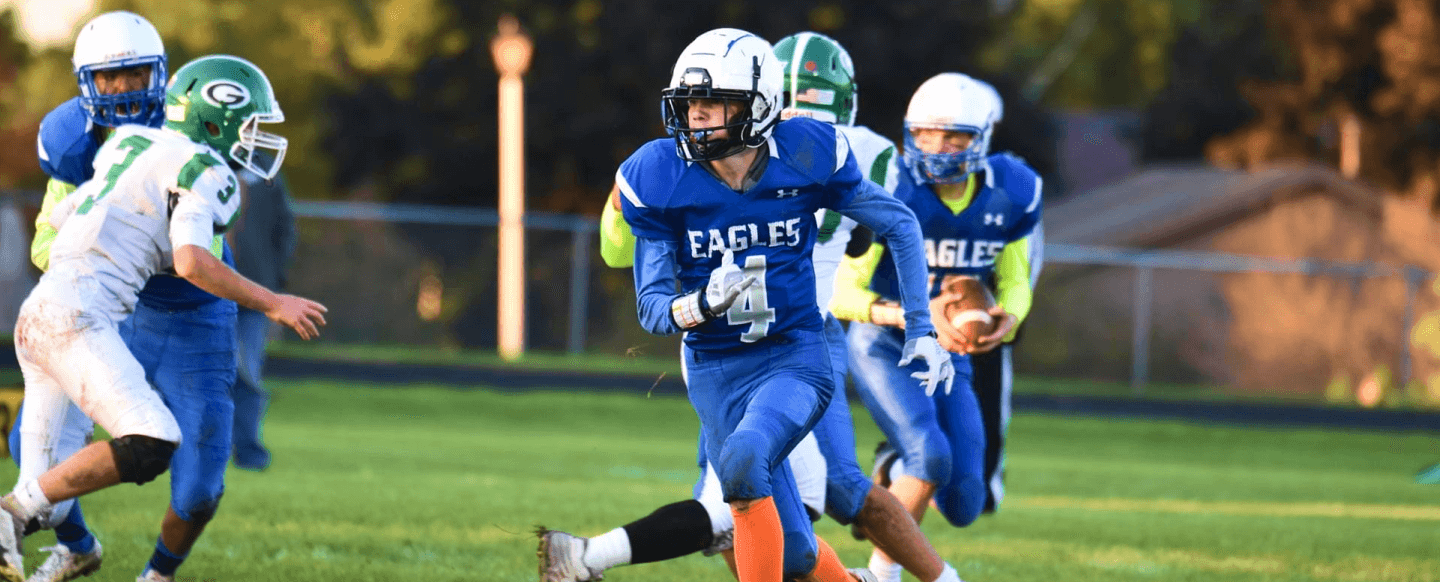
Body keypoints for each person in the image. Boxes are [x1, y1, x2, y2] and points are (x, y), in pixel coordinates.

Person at [541, 32, 967, 582]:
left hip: (794, 352)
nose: (697, 117)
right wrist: (700, 303)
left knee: (751, 462)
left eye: (713, 104)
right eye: (690, 104)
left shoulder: (809, 152)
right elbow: (651, 308)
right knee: (795, 554)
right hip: (714, 369)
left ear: (759, 104)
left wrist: (920, 330)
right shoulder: (657, 173)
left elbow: (900, 224)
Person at [3, 53, 326, 582]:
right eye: (248, 126)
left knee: (194, 490)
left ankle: (139, 570)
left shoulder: (135, 144)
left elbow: (72, 226)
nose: (256, 140)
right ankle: (44, 532)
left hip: (122, 316)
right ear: (213, 119)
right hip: (104, 312)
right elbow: (190, 259)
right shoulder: (182, 163)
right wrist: (273, 302)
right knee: (119, 444)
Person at [830, 72, 1042, 582]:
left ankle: (890, 470)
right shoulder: (892, 185)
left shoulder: (1010, 191)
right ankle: (879, 575)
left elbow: (1014, 277)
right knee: (930, 451)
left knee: (966, 500)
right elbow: (841, 292)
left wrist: (1007, 317)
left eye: (953, 136)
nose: (937, 147)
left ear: (981, 138)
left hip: (952, 355)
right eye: (924, 134)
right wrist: (908, 314)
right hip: (886, 342)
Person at [227, 170, 298, 471]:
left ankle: (248, 452)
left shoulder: (266, 170)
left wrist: (274, 279)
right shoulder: (200, 156)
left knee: (247, 373)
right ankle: (189, 451)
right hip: (206, 290)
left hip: (256, 290)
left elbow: (285, 227)